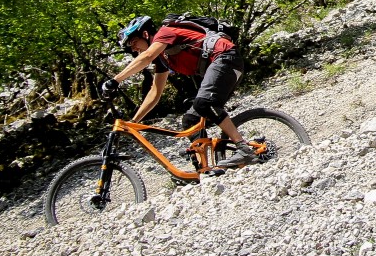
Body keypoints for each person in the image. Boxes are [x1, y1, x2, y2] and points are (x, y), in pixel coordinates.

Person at [101, 15, 263, 165]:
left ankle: (243, 148)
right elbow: (155, 93)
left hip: (226, 58)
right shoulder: (162, 58)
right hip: (224, 66)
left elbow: (147, 56)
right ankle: (205, 168)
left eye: (133, 42)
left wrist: (115, 80)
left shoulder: (165, 33)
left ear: (145, 34)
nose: (134, 49)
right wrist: (134, 122)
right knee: (190, 120)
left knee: (203, 103)